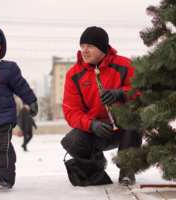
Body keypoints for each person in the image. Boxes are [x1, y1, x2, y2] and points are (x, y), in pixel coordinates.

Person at [61, 26, 142, 186]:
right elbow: (71, 112)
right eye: (82, 46)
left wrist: (121, 93)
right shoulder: (74, 74)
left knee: (134, 107)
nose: (84, 50)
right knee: (71, 140)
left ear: (103, 48)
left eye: (90, 46)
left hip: (124, 130)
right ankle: (97, 163)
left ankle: (127, 169)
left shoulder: (126, 65)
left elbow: (142, 91)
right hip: (97, 131)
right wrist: (91, 124)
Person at [0, 23, 38, 189]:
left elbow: (21, 86)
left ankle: (2, 177)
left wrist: (30, 100)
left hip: (3, 117)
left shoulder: (8, 68)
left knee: (0, 148)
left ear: (1, 48)